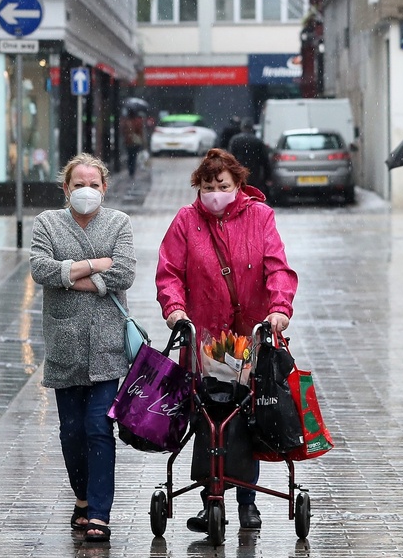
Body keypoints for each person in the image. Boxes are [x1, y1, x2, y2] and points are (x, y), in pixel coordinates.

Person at [156, 148, 298, 532]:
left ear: (238, 186)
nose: (215, 193)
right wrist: (175, 309)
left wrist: (279, 308)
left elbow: (277, 268)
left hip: (249, 336)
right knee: (208, 417)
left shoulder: (260, 217)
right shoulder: (187, 221)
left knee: (248, 415)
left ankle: (247, 500)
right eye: (207, 186)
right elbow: (169, 271)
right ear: (197, 187)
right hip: (203, 339)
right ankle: (210, 497)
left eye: (222, 185)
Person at [28, 153, 138, 543]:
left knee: (97, 427)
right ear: (66, 188)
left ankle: (99, 513)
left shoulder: (118, 223)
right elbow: (40, 269)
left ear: (104, 187)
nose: (86, 191)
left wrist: (68, 272)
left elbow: (124, 271)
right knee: (71, 432)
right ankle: (81, 498)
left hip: (108, 348)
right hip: (65, 344)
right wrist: (96, 265)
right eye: (79, 184)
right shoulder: (47, 223)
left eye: (94, 184)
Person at [228, 119, 271, 193]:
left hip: (239, 174)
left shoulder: (235, 140)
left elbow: (230, 159)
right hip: (254, 175)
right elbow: (265, 161)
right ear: (252, 128)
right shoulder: (258, 141)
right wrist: (267, 177)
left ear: (242, 127)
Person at [123, 112, 146, 180]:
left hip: (128, 142)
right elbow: (140, 132)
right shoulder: (137, 121)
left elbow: (124, 131)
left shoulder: (126, 121)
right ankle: (132, 170)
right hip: (135, 142)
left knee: (130, 156)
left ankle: (130, 170)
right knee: (133, 156)